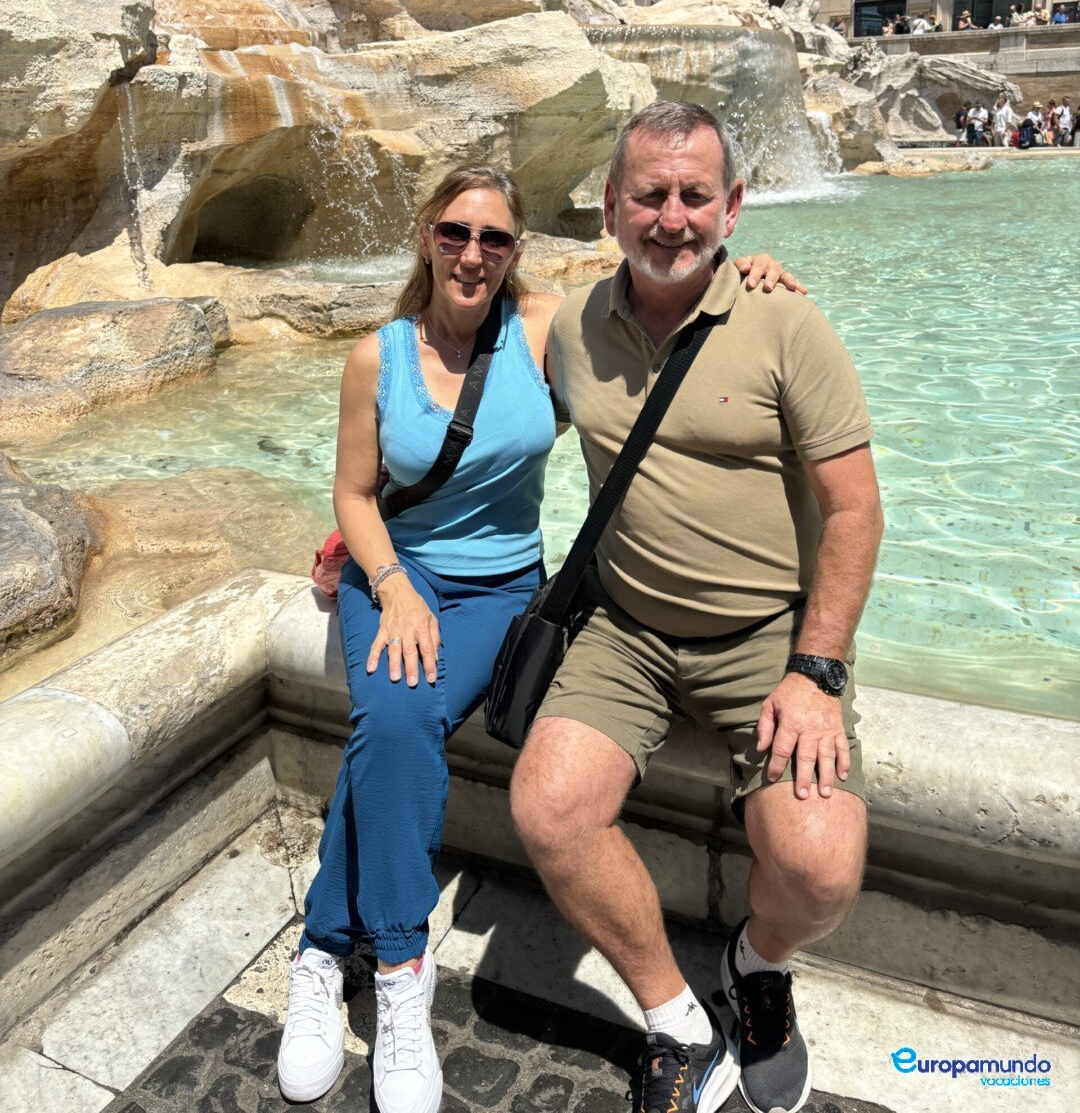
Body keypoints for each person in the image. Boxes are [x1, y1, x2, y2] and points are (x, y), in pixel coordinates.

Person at [275, 161, 797, 1112]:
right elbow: (355, 493)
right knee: (393, 724)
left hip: (500, 591)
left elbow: (662, 292)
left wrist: (742, 268)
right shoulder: (375, 357)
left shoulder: (545, 329)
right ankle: (396, 975)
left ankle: (320, 946)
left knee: (396, 728)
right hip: (393, 576)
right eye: (455, 234)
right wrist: (387, 582)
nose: (473, 254)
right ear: (428, 238)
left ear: (516, 252)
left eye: (495, 239)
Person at [510, 101, 882, 1113]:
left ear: (734, 207)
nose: (671, 218)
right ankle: (677, 1018)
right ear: (609, 208)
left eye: (694, 197)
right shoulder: (573, 326)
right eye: (650, 196)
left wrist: (816, 672)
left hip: (767, 639)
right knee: (547, 808)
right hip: (624, 633)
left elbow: (854, 510)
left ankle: (756, 968)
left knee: (818, 870)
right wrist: (366, 522)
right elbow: (457, 370)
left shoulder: (785, 321)